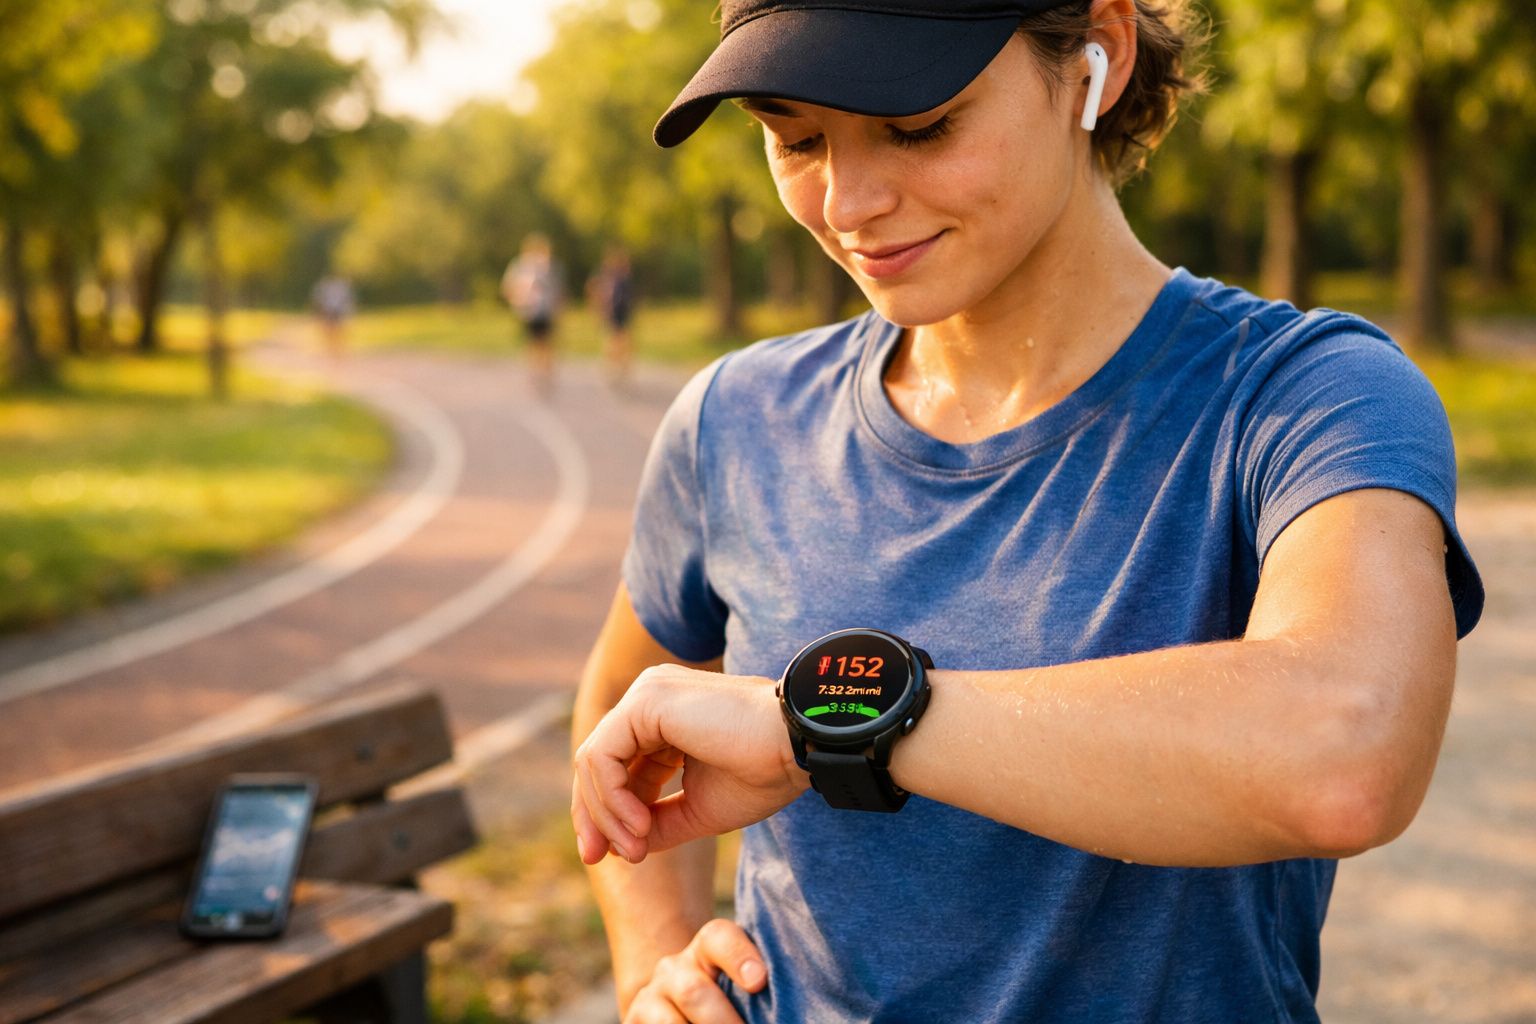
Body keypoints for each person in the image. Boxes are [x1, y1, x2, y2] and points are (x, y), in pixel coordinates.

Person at [570, 2, 1485, 1022]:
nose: (849, 200)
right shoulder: (732, 420)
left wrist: (822, 722)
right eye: (795, 138)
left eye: (920, 125)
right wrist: (653, 968)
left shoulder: (1304, 396)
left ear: (1100, 53)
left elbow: (1345, 750)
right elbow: (624, 712)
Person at [502, 233, 563, 393]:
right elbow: (508, 287)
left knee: (547, 343)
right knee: (532, 343)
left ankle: (546, 374)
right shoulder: (519, 266)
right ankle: (535, 373)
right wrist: (517, 300)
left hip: (546, 310)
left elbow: (558, 290)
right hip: (529, 311)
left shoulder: (550, 267)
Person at [588, 244, 636, 391]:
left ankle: (620, 367)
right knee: (614, 340)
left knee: (623, 341)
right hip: (614, 313)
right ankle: (613, 367)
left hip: (624, 313)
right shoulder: (609, 277)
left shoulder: (625, 278)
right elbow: (595, 289)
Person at [310, 272, 355, 360]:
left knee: (337, 333)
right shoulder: (328, 285)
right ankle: (333, 352)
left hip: (337, 312)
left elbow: (347, 301)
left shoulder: (339, 285)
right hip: (331, 312)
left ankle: (337, 352)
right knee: (331, 333)